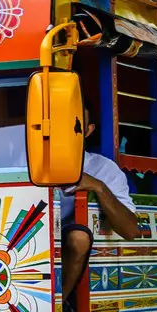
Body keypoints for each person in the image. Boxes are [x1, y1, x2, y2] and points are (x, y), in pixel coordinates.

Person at [59, 106, 141, 298]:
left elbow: (130, 230)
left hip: (66, 249)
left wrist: (99, 187)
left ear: (88, 130)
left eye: (76, 127)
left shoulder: (104, 168)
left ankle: (59, 305)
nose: (66, 133)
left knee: (78, 237)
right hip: (26, 241)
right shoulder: (23, 161)